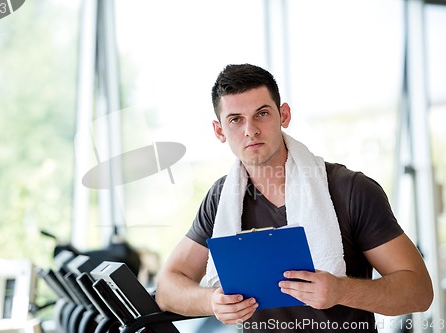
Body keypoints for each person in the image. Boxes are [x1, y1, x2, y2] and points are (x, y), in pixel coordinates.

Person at [156, 63, 433, 332]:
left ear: (284, 115)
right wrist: (211, 301)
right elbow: (167, 289)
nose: (250, 129)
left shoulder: (352, 190)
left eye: (262, 114)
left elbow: (419, 292)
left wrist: (341, 290)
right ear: (220, 131)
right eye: (235, 119)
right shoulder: (220, 199)